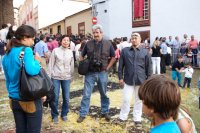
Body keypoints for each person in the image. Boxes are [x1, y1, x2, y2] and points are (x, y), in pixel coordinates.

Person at [2, 25, 45, 133]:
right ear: (25, 37)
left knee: (20, 130)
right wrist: (37, 61)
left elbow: (7, 79)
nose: (33, 41)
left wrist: (12, 92)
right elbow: (32, 70)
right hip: (28, 99)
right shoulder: (26, 51)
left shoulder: (7, 54)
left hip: (14, 99)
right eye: (32, 38)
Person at [77, 24, 116, 123]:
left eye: (97, 32)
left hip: (102, 72)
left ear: (101, 33)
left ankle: (105, 111)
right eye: (94, 33)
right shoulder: (88, 43)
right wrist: (83, 65)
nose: (95, 34)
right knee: (86, 94)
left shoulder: (108, 44)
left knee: (104, 93)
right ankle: (83, 113)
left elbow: (113, 57)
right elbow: (82, 55)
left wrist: (107, 67)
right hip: (90, 73)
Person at [116, 32, 152, 128]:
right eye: (132, 38)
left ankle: (137, 119)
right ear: (130, 40)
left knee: (139, 100)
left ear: (140, 39)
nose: (134, 39)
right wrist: (120, 78)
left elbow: (149, 68)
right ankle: (123, 117)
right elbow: (120, 66)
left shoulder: (145, 52)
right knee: (126, 99)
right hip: (128, 80)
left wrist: (148, 81)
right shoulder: (125, 51)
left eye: (136, 38)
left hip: (141, 81)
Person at [48, 35, 74, 123]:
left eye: (68, 40)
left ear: (69, 42)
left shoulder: (70, 52)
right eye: (64, 40)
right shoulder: (55, 51)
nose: (66, 42)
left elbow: (72, 65)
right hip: (55, 77)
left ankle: (64, 114)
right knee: (55, 97)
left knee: (66, 98)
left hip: (66, 77)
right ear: (61, 41)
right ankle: (54, 115)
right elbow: (51, 64)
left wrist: (72, 76)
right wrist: (49, 77)